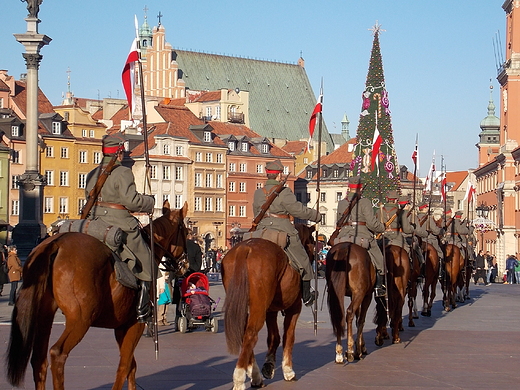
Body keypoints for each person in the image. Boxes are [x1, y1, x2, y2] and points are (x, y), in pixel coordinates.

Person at [85, 132, 155, 323]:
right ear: (119, 153)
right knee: (147, 261)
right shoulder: (123, 172)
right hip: (119, 222)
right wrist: (149, 202)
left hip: (94, 222)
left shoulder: (92, 173)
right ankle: (142, 310)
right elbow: (130, 201)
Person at [252, 159, 320, 307]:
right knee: (303, 260)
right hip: (282, 229)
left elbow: (255, 212)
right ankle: (307, 296)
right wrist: (316, 215)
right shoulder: (284, 192)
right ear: (279, 176)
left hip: (261, 231)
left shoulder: (258, 193)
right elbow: (297, 210)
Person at [335, 176, 386, 297]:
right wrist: (382, 228)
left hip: (343, 235)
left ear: (349, 187)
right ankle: (379, 287)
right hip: (362, 234)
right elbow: (371, 223)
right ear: (361, 187)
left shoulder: (341, 203)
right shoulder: (365, 202)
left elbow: (338, 221)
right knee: (380, 260)